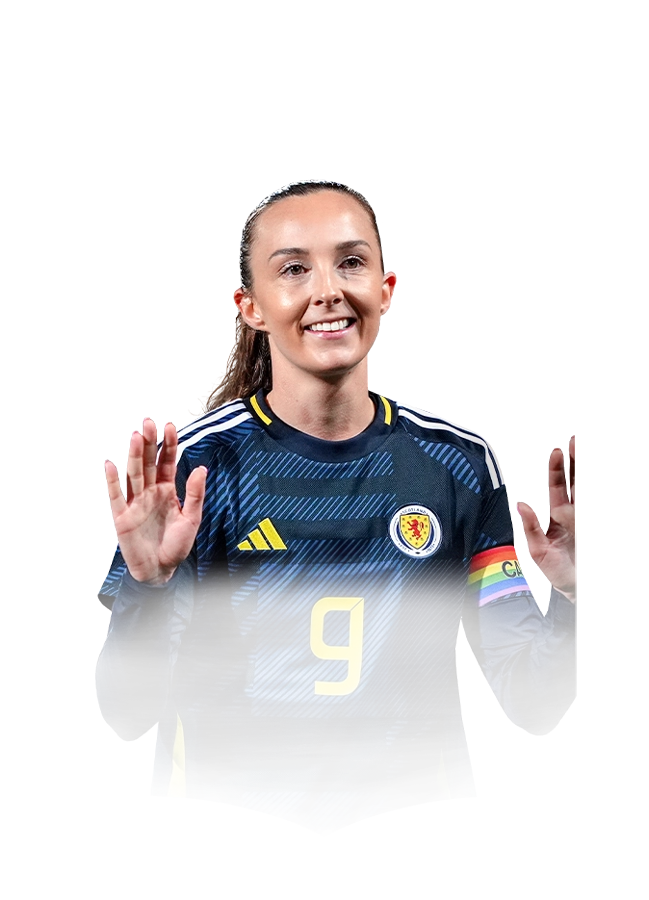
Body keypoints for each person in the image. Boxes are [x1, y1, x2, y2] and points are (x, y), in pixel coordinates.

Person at [98, 181, 577, 830]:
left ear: (386, 288)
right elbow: (127, 716)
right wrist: (147, 587)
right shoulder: (196, 469)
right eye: (294, 269)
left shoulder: (458, 466)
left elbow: (532, 702)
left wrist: (573, 601)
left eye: (350, 262)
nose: (328, 289)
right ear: (250, 307)